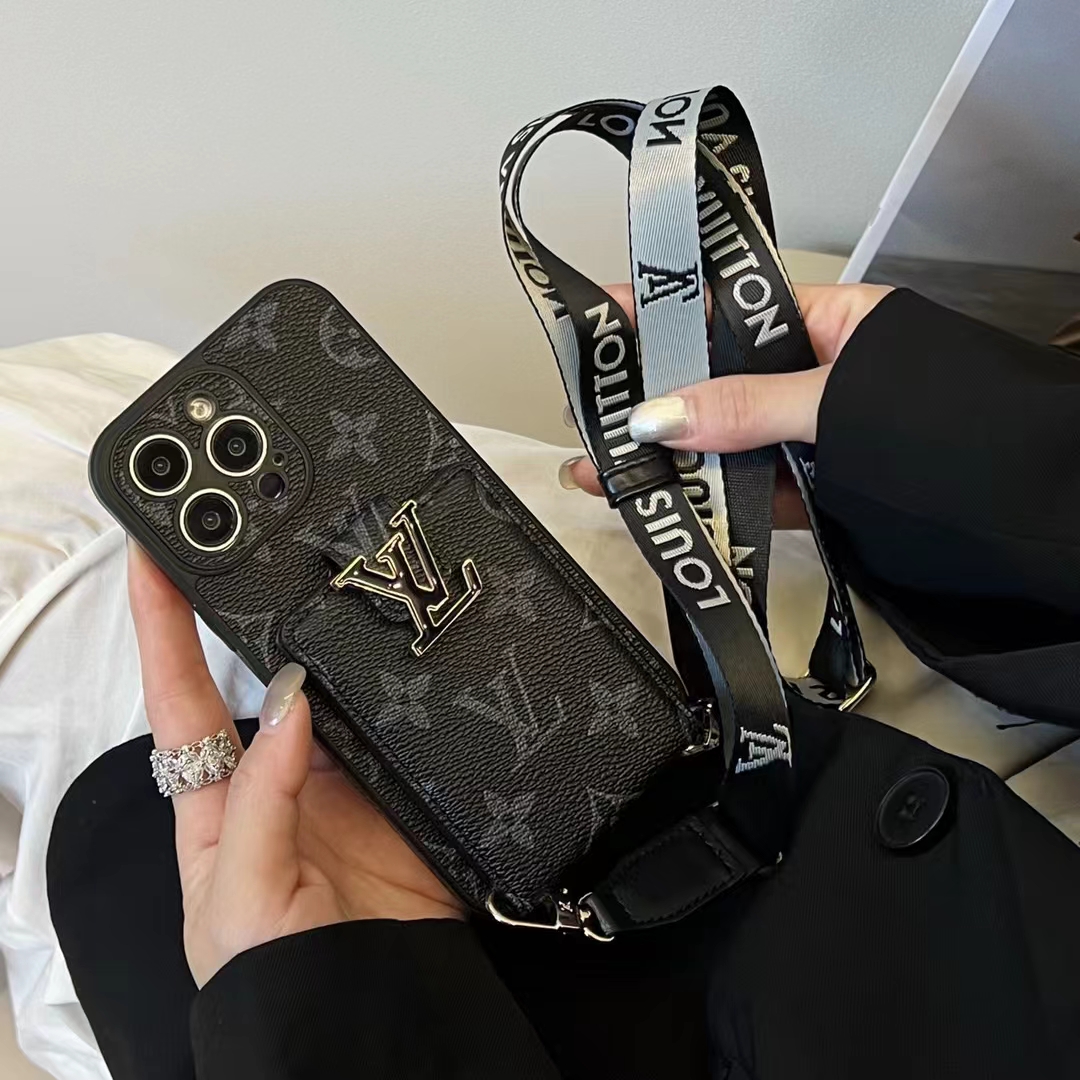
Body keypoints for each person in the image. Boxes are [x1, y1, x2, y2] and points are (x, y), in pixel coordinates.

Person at [46, 284, 1080, 1079]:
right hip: (820, 867)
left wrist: (324, 1024)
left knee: (122, 851)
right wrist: (980, 448)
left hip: (552, 946)